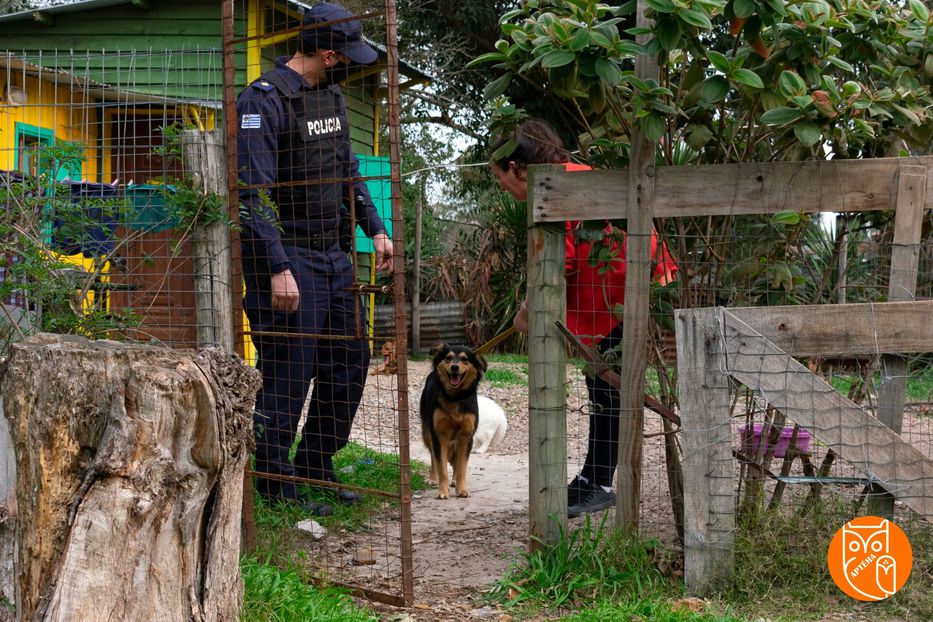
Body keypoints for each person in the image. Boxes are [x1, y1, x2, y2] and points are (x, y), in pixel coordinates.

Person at [236, 2, 393, 516]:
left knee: (348, 363)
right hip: (289, 258)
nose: (349, 65)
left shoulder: (331, 96)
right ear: (327, 54)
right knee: (288, 371)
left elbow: (348, 169)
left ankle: (316, 465)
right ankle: (273, 481)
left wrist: (375, 227)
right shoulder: (264, 100)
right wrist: (277, 267)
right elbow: (252, 194)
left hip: (333, 255)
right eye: (345, 56)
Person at [490, 118, 677, 518]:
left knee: (607, 389)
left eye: (502, 179)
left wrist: (525, 312)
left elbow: (560, 263)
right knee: (601, 388)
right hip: (622, 288)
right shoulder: (573, 174)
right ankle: (593, 477)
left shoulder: (554, 186)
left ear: (517, 168)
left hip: (621, 291)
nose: (504, 189)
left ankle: (602, 484)